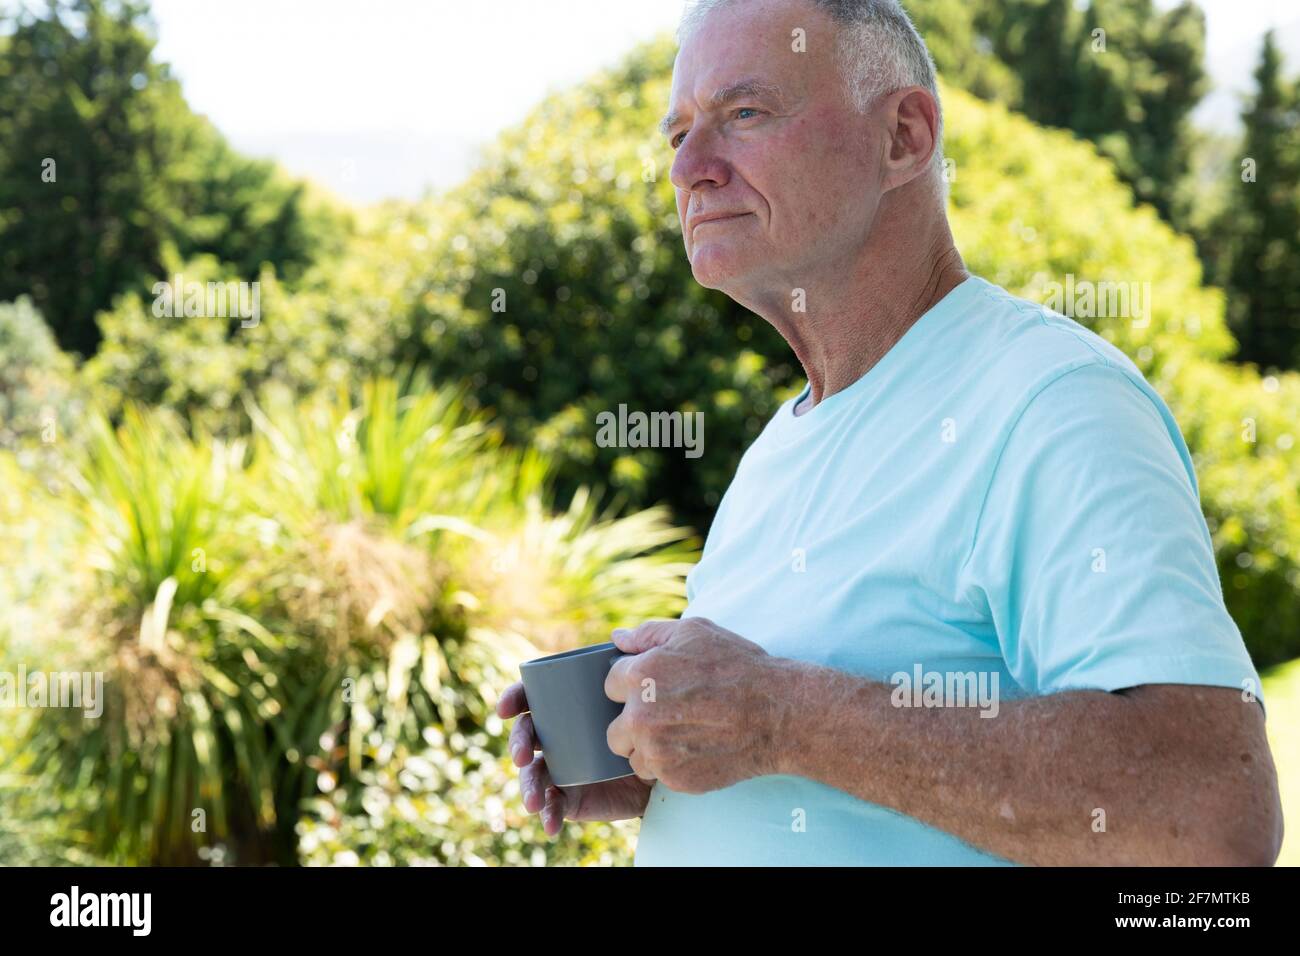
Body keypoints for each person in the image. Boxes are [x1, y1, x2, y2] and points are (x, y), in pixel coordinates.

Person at [496, 0, 1283, 865]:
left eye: (744, 114)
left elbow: (1209, 814)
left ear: (905, 135)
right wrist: (669, 760)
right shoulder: (779, 448)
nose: (691, 167)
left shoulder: (1055, 403)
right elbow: (837, 766)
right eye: (677, 133)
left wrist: (781, 719)